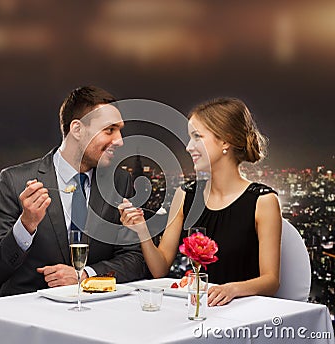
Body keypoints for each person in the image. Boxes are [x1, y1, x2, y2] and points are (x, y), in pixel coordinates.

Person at [0, 86, 148, 297]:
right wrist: (25, 225)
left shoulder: (120, 181)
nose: (120, 140)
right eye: (109, 130)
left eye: (120, 130)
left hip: (94, 314)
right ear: (77, 130)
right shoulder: (15, 181)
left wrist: (86, 276)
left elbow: (135, 261)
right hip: (27, 314)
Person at [119, 97, 282, 307]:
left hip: (242, 312)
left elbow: (271, 281)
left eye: (197, 137)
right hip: (196, 310)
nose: (188, 147)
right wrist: (142, 230)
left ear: (225, 141)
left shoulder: (263, 201)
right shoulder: (185, 194)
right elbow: (160, 269)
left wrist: (231, 289)